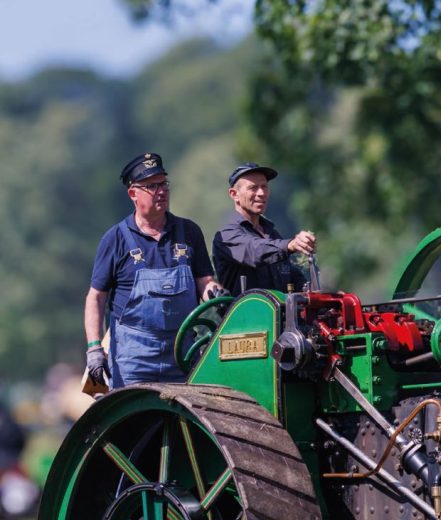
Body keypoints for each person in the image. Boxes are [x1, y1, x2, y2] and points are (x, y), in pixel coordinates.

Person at [84, 153, 221, 388]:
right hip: (133, 361)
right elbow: (95, 297)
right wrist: (94, 349)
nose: (162, 191)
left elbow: (205, 282)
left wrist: (216, 293)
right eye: (151, 186)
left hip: (182, 355)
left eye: (164, 184)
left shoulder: (189, 231)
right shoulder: (115, 239)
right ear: (133, 194)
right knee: (134, 413)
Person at [212, 163, 316, 295]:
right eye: (253, 188)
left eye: (264, 187)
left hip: (278, 308)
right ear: (234, 194)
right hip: (247, 309)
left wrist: (322, 297)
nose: (261, 193)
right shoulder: (226, 236)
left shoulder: (272, 234)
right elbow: (255, 250)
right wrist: (290, 245)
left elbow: (292, 277)